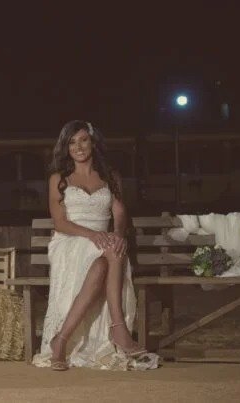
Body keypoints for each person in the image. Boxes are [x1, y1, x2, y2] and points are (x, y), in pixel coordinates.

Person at [33, 120, 157, 371]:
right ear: (66, 147)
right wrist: (92, 235)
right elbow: (60, 223)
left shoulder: (110, 177)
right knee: (110, 250)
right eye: (72, 142)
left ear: (93, 142)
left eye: (83, 140)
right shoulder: (59, 179)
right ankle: (119, 329)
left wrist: (118, 233)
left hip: (102, 242)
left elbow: (119, 213)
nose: (78, 147)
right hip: (70, 240)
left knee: (106, 258)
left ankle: (61, 339)